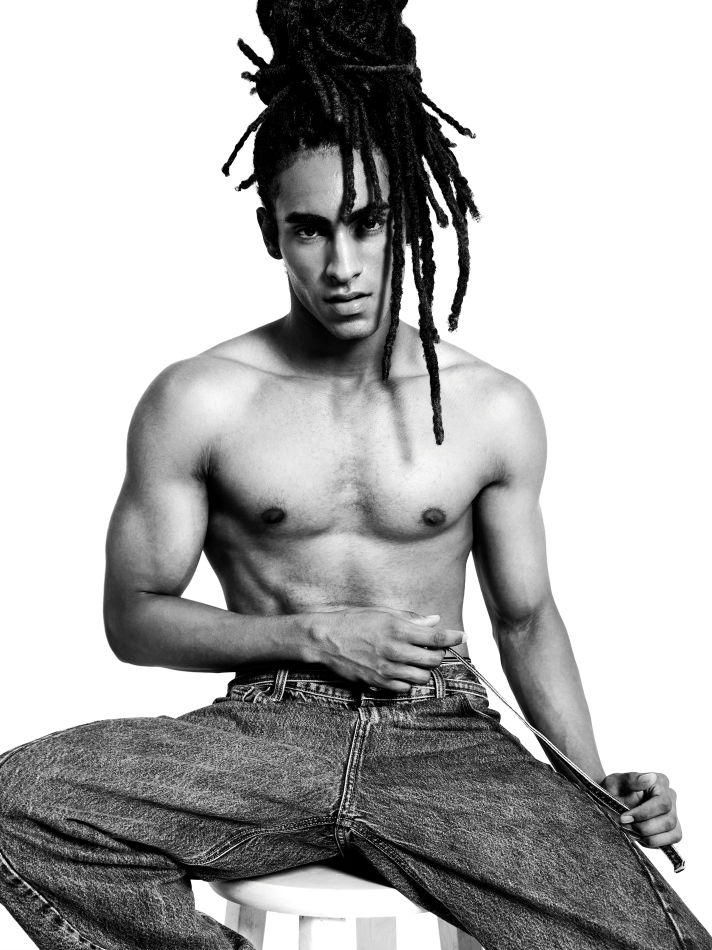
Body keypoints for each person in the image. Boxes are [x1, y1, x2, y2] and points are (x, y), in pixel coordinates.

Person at [0, 2, 710, 948]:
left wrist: (591, 792)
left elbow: (526, 621)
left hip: (447, 741)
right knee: (19, 800)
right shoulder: (201, 399)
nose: (342, 264)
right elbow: (132, 616)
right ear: (270, 231)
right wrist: (313, 636)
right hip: (268, 732)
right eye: (310, 230)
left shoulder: (491, 407)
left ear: (406, 211)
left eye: (369, 224)